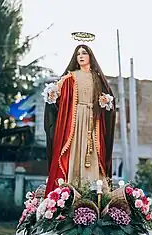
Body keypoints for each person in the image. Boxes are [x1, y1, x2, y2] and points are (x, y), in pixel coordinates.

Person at [43, 44, 116, 196]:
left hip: (93, 121)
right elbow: (55, 94)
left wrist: (105, 102)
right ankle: (72, 187)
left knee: (94, 153)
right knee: (76, 149)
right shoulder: (71, 77)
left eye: (84, 53)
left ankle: (94, 189)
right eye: (78, 54)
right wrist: (52, 94)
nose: (81, 56)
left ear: (90, 56)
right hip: (76, 122)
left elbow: (109, 101)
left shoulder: (98, 78)